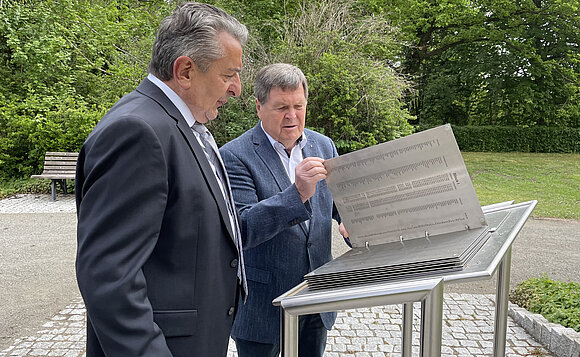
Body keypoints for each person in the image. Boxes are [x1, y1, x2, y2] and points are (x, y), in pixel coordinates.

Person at [75, 3, 248, 356]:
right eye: (229, 74)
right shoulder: (138, 131)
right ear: (185, 70)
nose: (237, 89)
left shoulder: (182, 124)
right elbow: (111, 279)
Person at [220, 63, 350, 357]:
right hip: (263, 303)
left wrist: (355, 224)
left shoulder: (323, 145)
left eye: (298, 106)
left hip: (316, 298)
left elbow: (343, 206)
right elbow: (243, 228)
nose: (292, 116)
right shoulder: (234, 156)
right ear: (259, 106)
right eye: (281, 107)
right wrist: (298, 193)